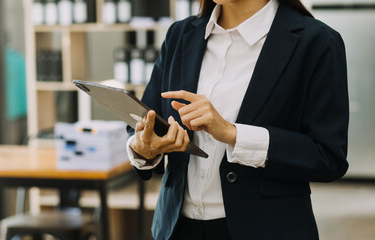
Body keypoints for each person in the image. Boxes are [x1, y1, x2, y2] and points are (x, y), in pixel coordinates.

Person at [125, 0, 349, 239]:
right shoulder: (180, 35)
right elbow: (145, 120)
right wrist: (143, 148)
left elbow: (328, 157)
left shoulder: (318, 42)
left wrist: (234, 134)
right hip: (176, 229)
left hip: (267, 229)